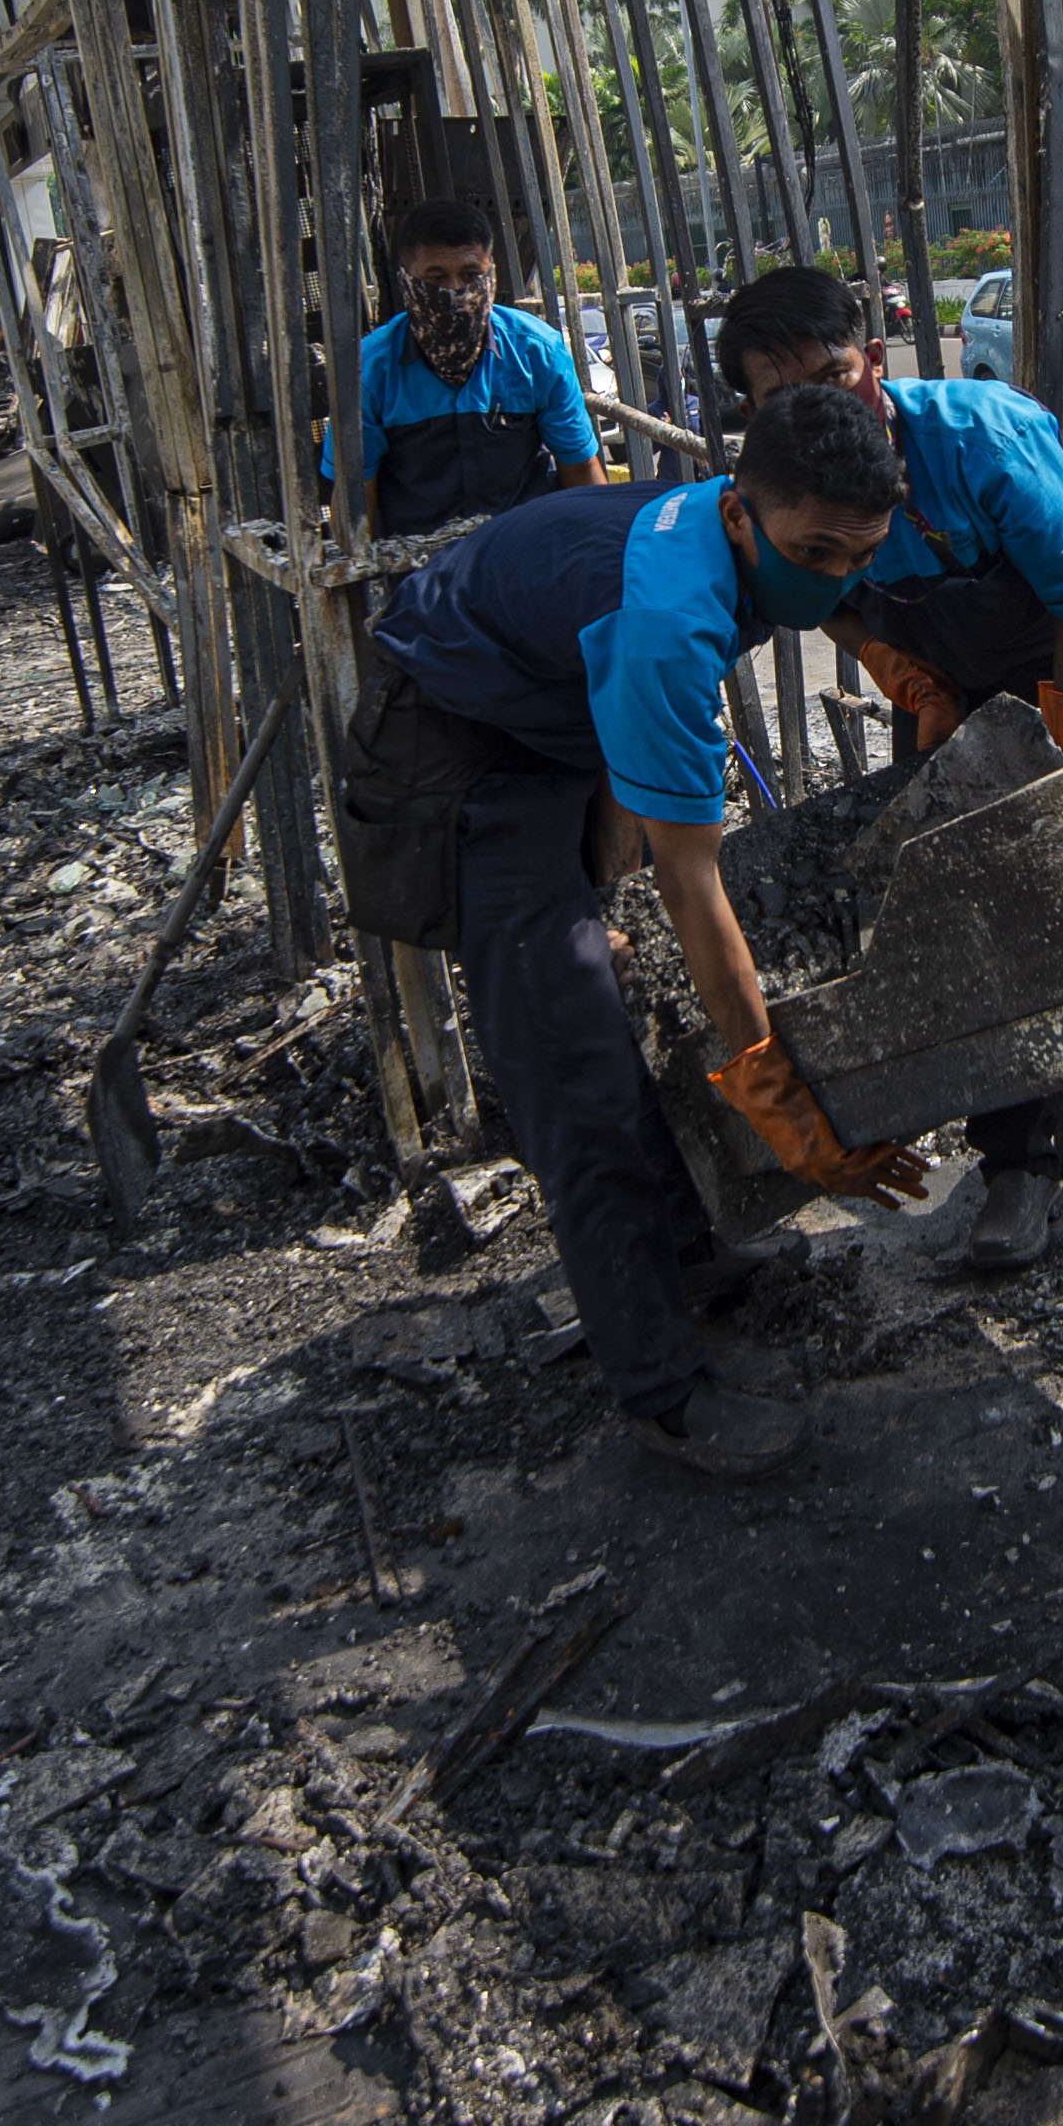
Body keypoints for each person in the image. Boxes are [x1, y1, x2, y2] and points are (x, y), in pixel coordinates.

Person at [344, 386, 932, 1475]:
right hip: (454, 740)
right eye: (816, 550)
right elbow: (689, 880)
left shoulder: (725, 535)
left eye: (860, 556)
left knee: (608, 990)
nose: (837, 577)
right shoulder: (668, 618)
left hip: (545, 701)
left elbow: (641, 792)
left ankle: (676, 1246)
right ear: (746, 513)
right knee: (574, 1062)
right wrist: (770, 1087)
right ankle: (661, 1386)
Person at [714, 263, 1063, 1276]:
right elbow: (823, 598)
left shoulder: (977, 437)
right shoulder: (773, 485)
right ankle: (1012, 1162)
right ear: (752, 411)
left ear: (874, 357)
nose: (820, 409)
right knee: (953, 903)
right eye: (783, 396)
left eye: (835, 373)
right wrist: (896, 668)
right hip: (949, 682)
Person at [334, 195, 604, 537]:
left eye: (469, 274)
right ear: (406, 282)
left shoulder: (537, 353)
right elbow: (357, 500)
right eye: (435, 278)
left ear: (490, 274)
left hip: (523, 558)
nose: (455, 291)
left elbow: (581, 472)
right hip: (418, 572)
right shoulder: (369, 370)